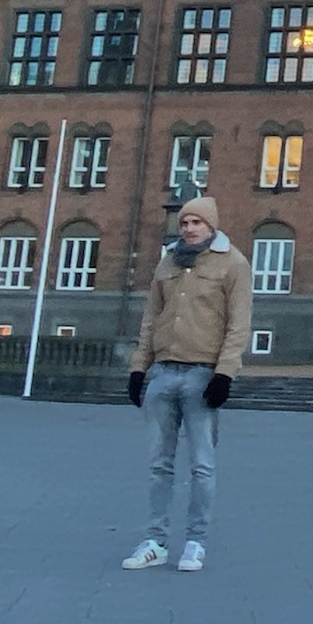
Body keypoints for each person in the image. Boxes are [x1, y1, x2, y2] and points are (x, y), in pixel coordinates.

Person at [123, 195, 252, 574]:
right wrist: (138, 368)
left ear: (211, 226)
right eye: (185, 223)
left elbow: (238, 324)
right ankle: (155, 541)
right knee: (159, 465)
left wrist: (225, 373)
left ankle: (196, 542)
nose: (190, 228)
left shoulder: (233, 264)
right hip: (163, 373)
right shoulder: (167, 263)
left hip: (202, 374)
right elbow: (151, 319)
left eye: (197, 222)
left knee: (202, 465)